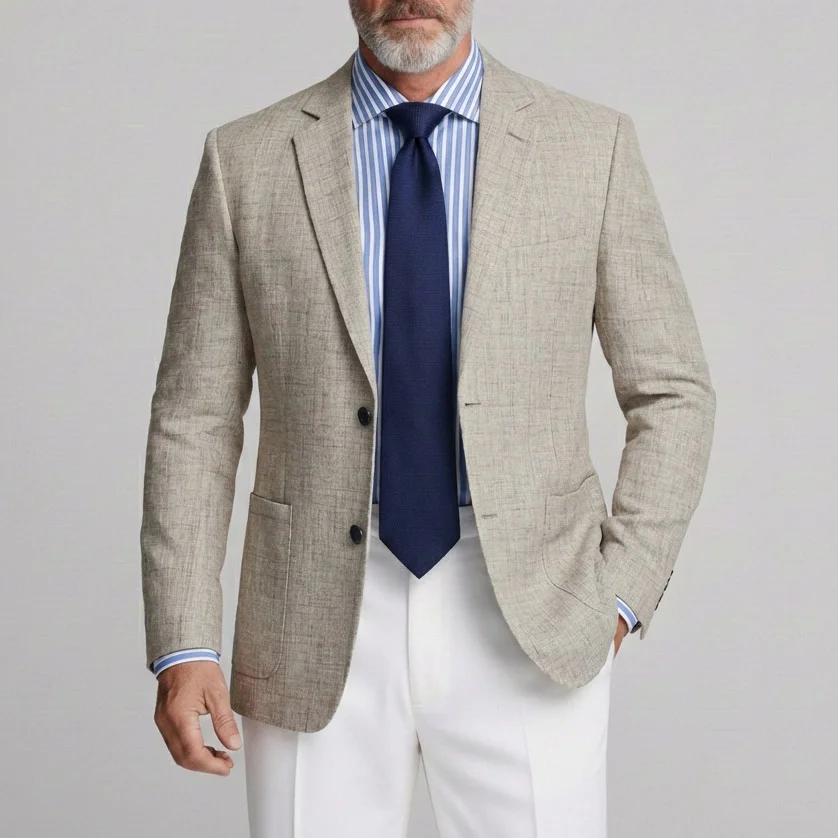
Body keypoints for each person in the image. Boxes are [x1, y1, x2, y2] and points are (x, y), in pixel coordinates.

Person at [141, 1, 716, 834]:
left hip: (532, 604)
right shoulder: (248, 159)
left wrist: (619, 595)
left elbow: (674, 390)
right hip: (309, 610)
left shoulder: (590, 147)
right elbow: (193, 416)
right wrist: (184, 639)